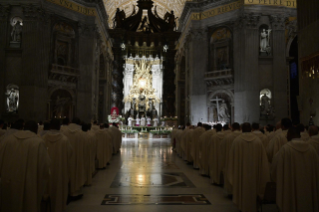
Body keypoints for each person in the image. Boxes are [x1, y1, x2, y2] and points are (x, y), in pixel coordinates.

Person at [0, 121, 50, 212]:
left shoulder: (7, 139)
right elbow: (45, 169)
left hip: (9, 184)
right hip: (30, 186)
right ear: (36, 130)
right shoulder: (38, 143)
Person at [271, 127, 319, 212]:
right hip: (308, 189)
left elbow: (275, 167)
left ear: (289, 135)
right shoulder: (311, 150)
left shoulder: (285, 149)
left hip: (290, 189)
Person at [228, 123, 270, 212]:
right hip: (255, 174)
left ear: (242, 129)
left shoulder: (237, 141)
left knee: (242, 188)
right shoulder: (258, 141)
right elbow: (263, 161)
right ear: (251, 129)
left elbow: (232, 159)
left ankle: (242, 206)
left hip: (241, 174)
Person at [42, 119, 73, 212]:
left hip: (47, 171)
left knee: (47, 188)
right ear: (59, 126)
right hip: (60, 170)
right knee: (59, 189)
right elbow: (70, 153)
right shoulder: (64, 140)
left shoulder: (43, 139)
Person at [62, 117, 87, 199]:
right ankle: (76, 192)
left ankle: (67, 191)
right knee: (77, 172)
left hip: (67, 157)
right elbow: (84, 147)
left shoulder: (64, 131)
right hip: (78, 156)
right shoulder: (80, 133)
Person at [219, 122, 241, 195]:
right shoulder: (242, 136)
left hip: (230, 160)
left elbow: (222, 149)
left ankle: (231, 191)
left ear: (232, 128)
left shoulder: (228, 137)